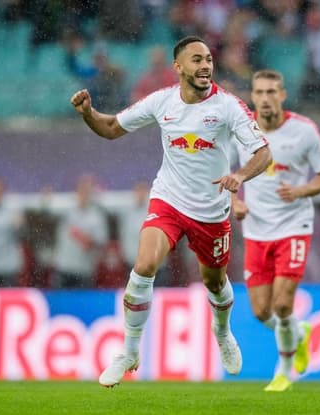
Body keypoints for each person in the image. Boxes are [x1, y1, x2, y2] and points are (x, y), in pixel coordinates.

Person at [70, 35, 272, 387]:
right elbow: (112, 128)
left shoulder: (228, 107)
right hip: (169, 200)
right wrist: (88, 113)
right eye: (196, 60)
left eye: (208, 58)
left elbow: (263, 153)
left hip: (211, 211)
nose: (205, 65)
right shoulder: (162, 102)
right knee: (145, 264)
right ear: (178, 68)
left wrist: (239, 175)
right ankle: (129, 351)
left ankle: (222, 333)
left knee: (215, 282)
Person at [230, 69, 320, 391]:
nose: (264, 98)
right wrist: (235, 203)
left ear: (282, 95)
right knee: (262, 311)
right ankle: (299, 333)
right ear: (252, 96)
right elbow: (228, 176)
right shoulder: (241, 132)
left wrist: (301, 191)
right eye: (259, 92)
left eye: (271, 92)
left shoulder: (303, 131)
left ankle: (284, 371)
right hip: (257, 230)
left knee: (282, 304)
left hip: (294, 226)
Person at [52, 174, 108, 289]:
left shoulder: (96, 216)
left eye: (87, 191)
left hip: (84, 270)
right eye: (81, 190)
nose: (83, 194)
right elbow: (46, 210)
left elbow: (101, 241)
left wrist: (87, 239)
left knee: (83, 304)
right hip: (64, 268)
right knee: (61, 304)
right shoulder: (65, 211)